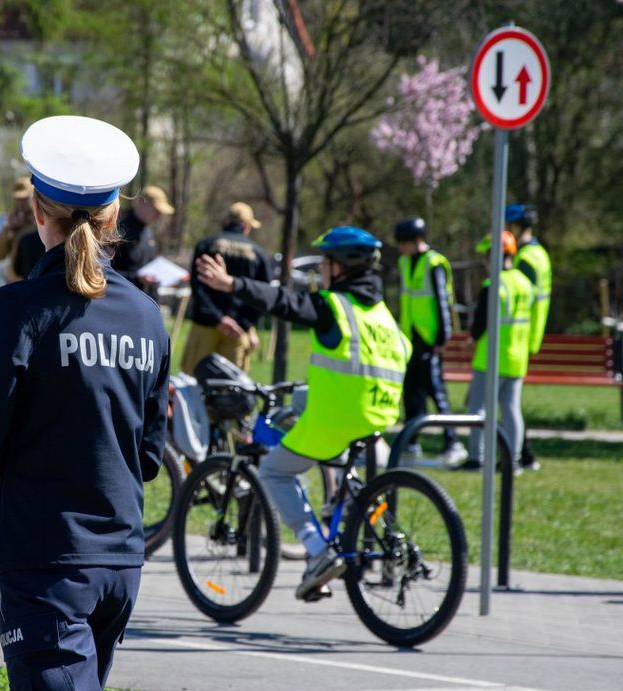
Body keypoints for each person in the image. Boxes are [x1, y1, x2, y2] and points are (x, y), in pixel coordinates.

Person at [0, 115, 171, 691]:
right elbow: (150, 455)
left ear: (38, 211)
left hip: (45, 563)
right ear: (113, 216)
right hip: (118, 563)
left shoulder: (15, 309)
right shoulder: (147, 316)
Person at [196, 226, 410, 602]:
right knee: (298, 403)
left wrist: (232, 284)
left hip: (339, 416)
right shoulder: (380, 314)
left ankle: (317, 551)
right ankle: (344, 491)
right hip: (380, 412)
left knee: (274, 471)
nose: (321, 271)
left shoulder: (333, 306)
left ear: (339, 267)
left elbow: (283, 302)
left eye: (325, 263)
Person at [394, 217, 467, 468]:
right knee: (411, 391)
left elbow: (442, 301)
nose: (401, 248)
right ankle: (411, 442)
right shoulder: (404, 262)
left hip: (429, 337)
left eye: (404, 243)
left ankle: (453, 442)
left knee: (436, 391)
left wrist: (442, 337)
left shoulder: (434, 263)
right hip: (409, 337)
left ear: (416, 241)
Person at [461, 230, 534, 473]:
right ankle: (511, 461)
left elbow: (480, 323)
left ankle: (476, 458)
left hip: (491, 358)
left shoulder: (493, 285)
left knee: (478, 409)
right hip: (517, 358)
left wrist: (471, 338)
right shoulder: (524, 284)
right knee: (512, 409)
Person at [179, 201, 272, 374]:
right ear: (246, 226)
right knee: (230, 388)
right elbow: (263, 295)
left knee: (192, 384)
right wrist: (243, 324)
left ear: (225, 222)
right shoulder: (258, 254)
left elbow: (198, 288)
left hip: (205, 326)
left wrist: (217, 318)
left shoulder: (206, 245)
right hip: (237, 332)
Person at [506, 203, 551, 471]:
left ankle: (521, 455)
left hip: (517, 335)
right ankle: (525, 454)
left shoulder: (524, 259)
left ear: (517, 227)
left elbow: (518, 298)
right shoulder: (539, 253)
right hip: (530, 333)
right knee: (511, 402)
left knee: (509, 402)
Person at [113, 185, 175, 297]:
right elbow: (106, 272)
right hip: (123, 299)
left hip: (145, 301)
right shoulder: (119, 231)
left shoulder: (148, 232)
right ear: (142, 202)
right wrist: (136, 278)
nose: (159, 214)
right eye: (156, 210)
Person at [0, 176, 46, 284]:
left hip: (33, 282)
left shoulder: (43, 222)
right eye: (18, 199)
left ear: (33, 197)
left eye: (24, 199)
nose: (21, 203)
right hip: (14, 283)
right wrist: (7, 230)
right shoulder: (13, 224)